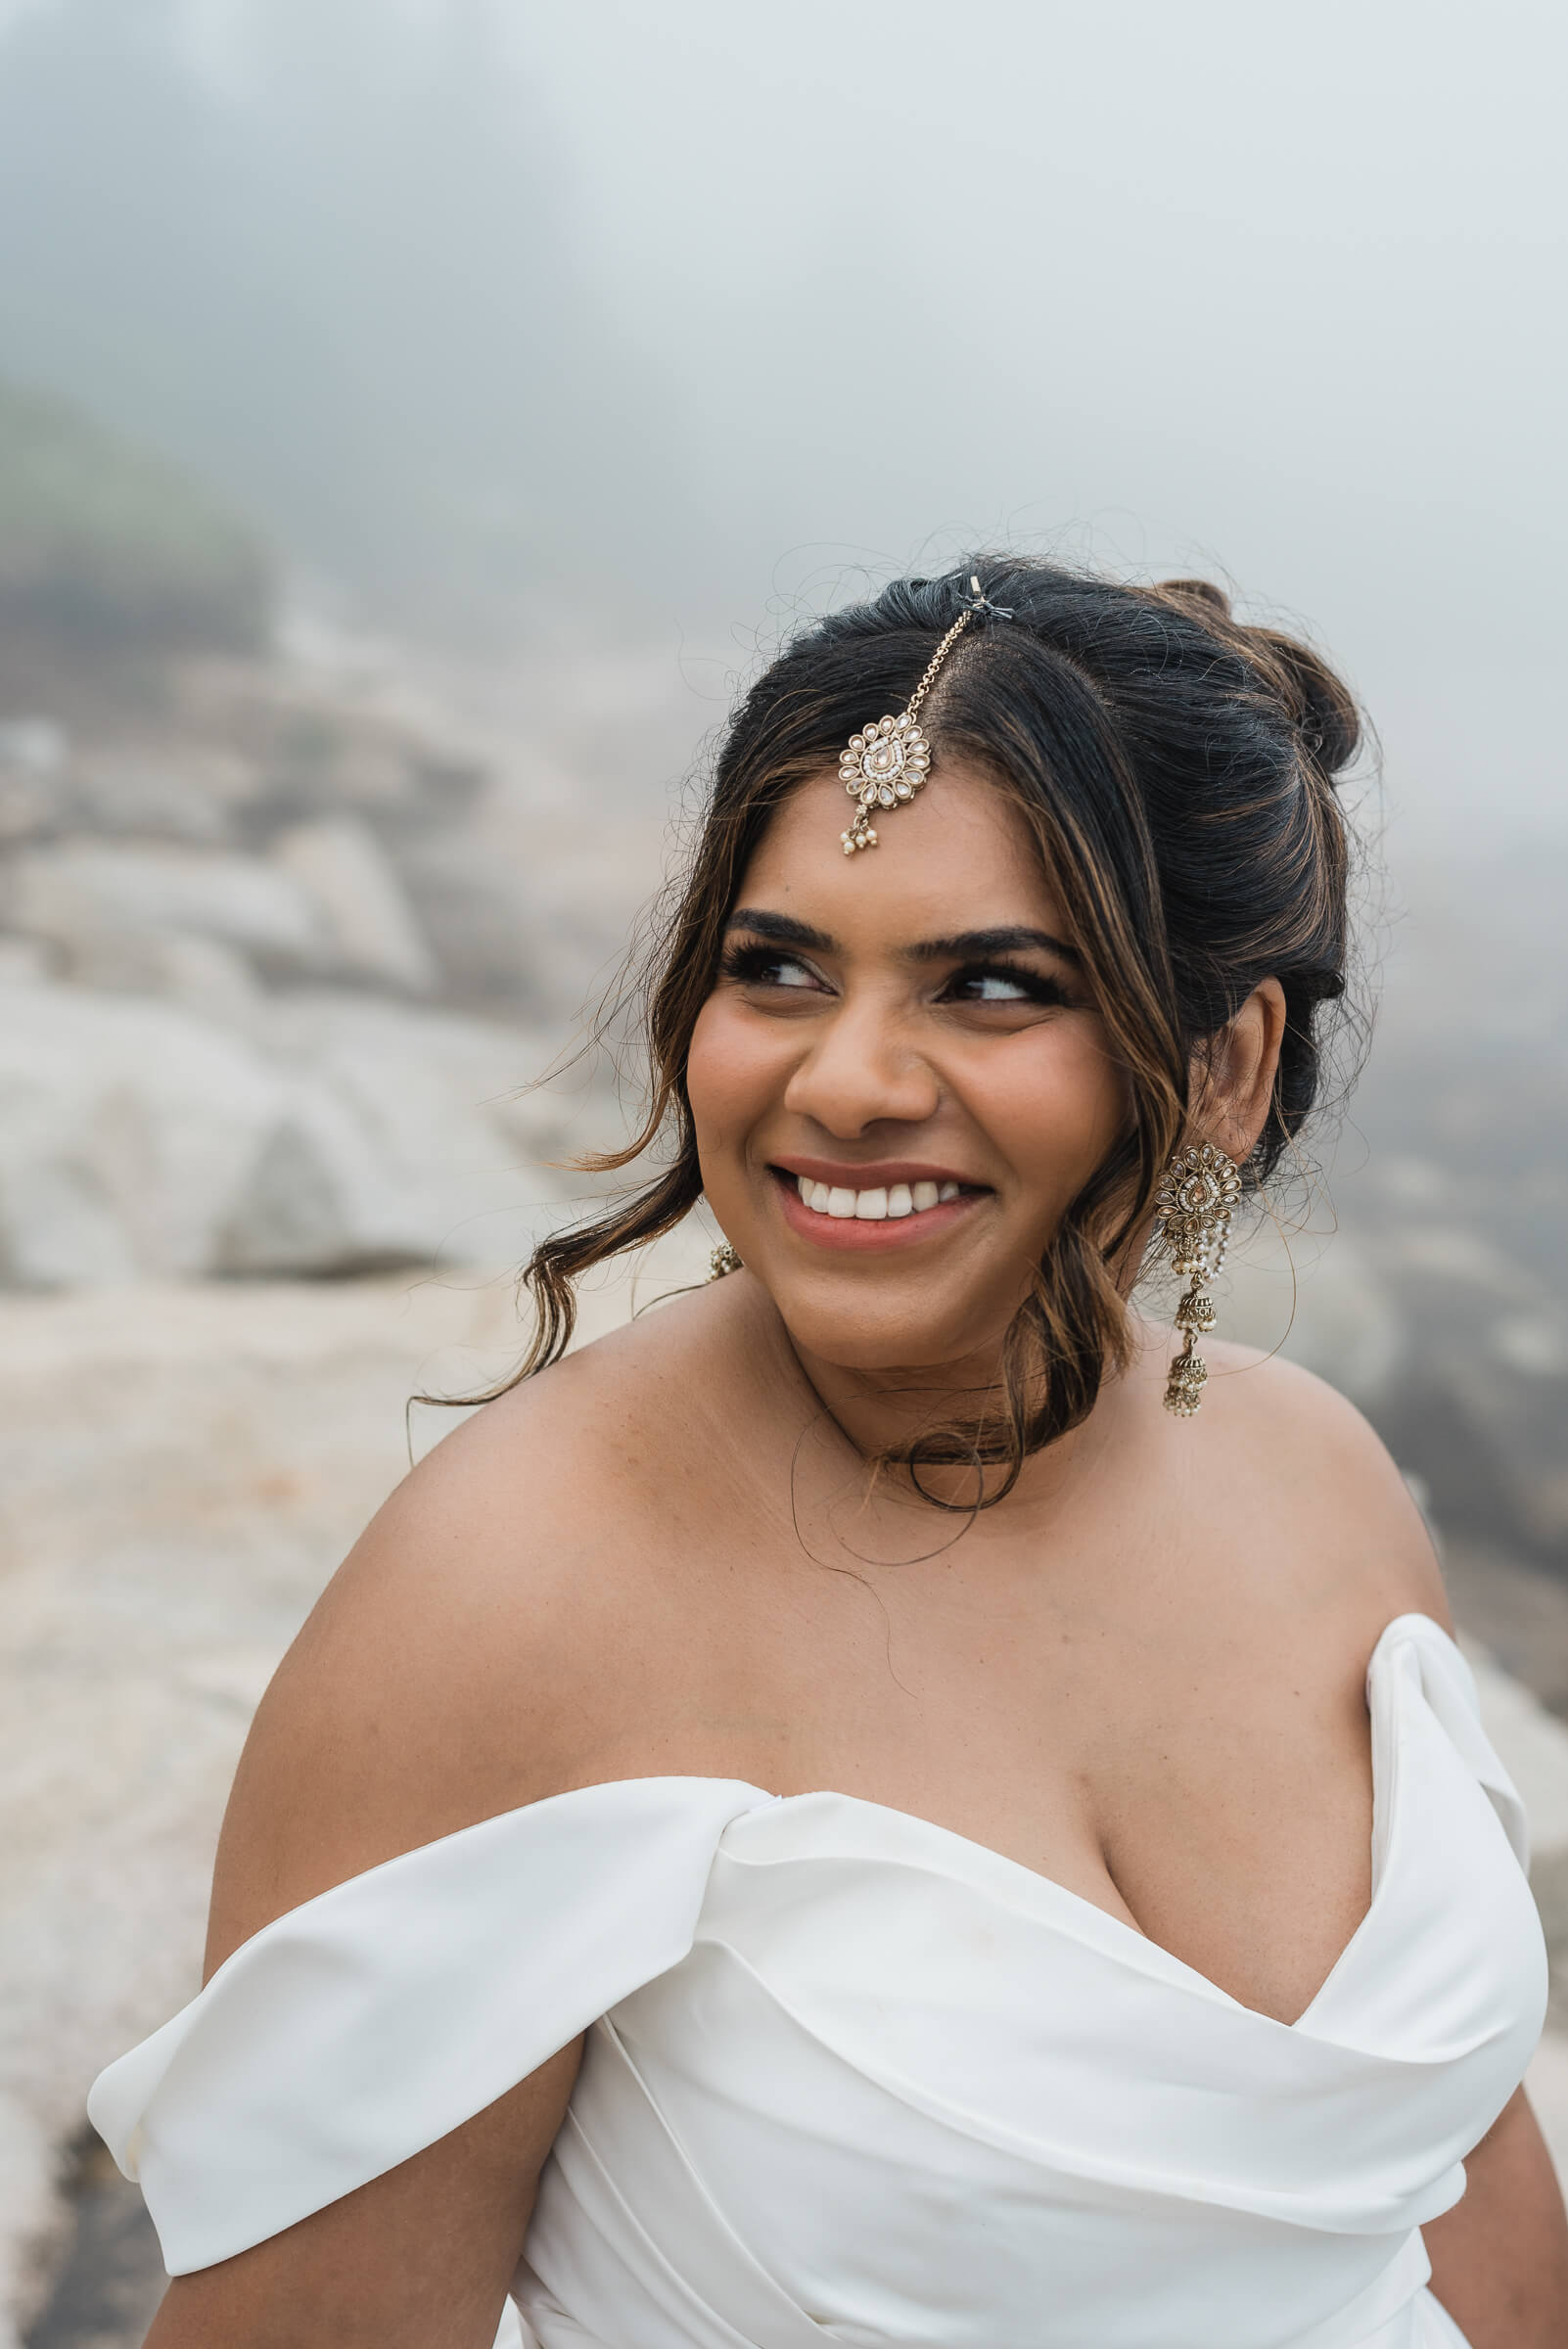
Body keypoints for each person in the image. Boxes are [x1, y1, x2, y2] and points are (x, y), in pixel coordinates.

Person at [91, 562, 1567, 2348]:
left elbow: (1468, 2211)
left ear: (1228, 1062)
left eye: (990, 987)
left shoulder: (1318, 1479)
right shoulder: (514, 1594)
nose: (844, 1080)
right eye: (774, 968)